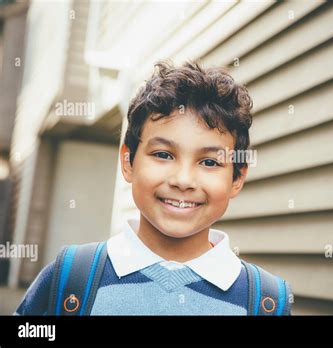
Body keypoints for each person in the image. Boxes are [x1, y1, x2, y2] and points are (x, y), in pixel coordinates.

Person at [15, 60, 293, 315]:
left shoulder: (264, 302)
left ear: (237, 178)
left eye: (209, 161)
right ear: (128, 162)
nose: (183, 180)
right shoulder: (72, 277)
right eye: (163, 155)